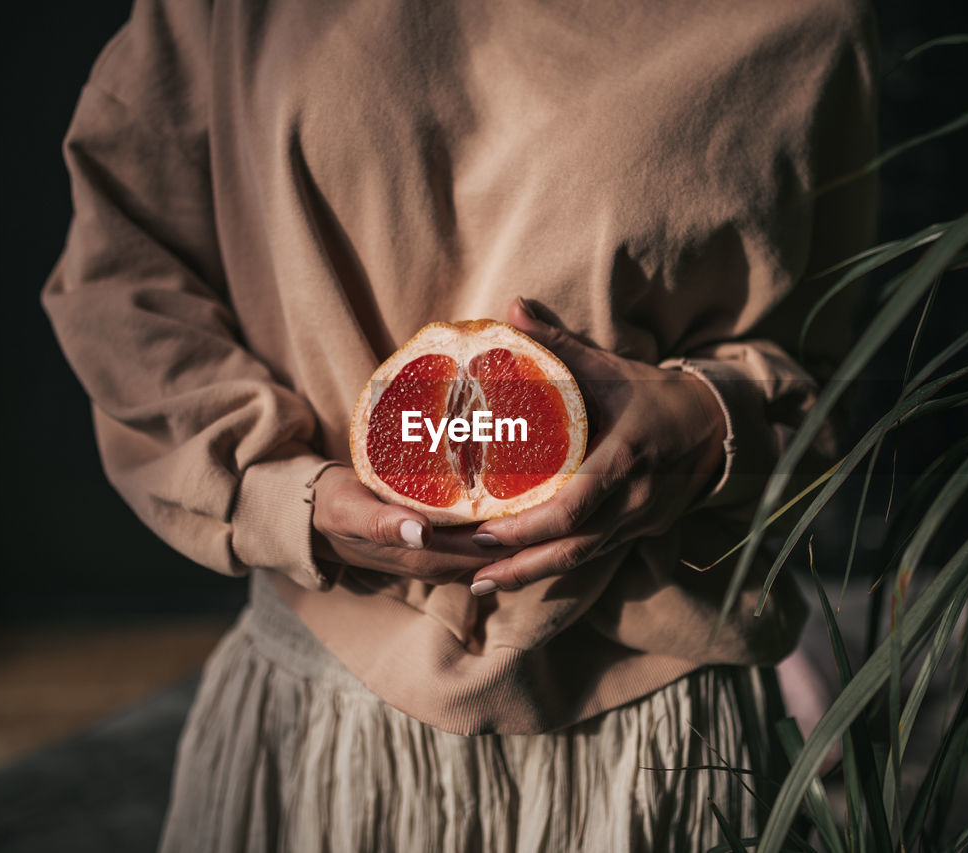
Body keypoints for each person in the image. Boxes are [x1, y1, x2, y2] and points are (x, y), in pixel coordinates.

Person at [44, 0, 877, 849]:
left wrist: (713, 418)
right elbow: (120, 274)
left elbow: (828, 359)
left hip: (660, 728)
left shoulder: (812, 20)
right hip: (332, 697)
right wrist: (277, 488)